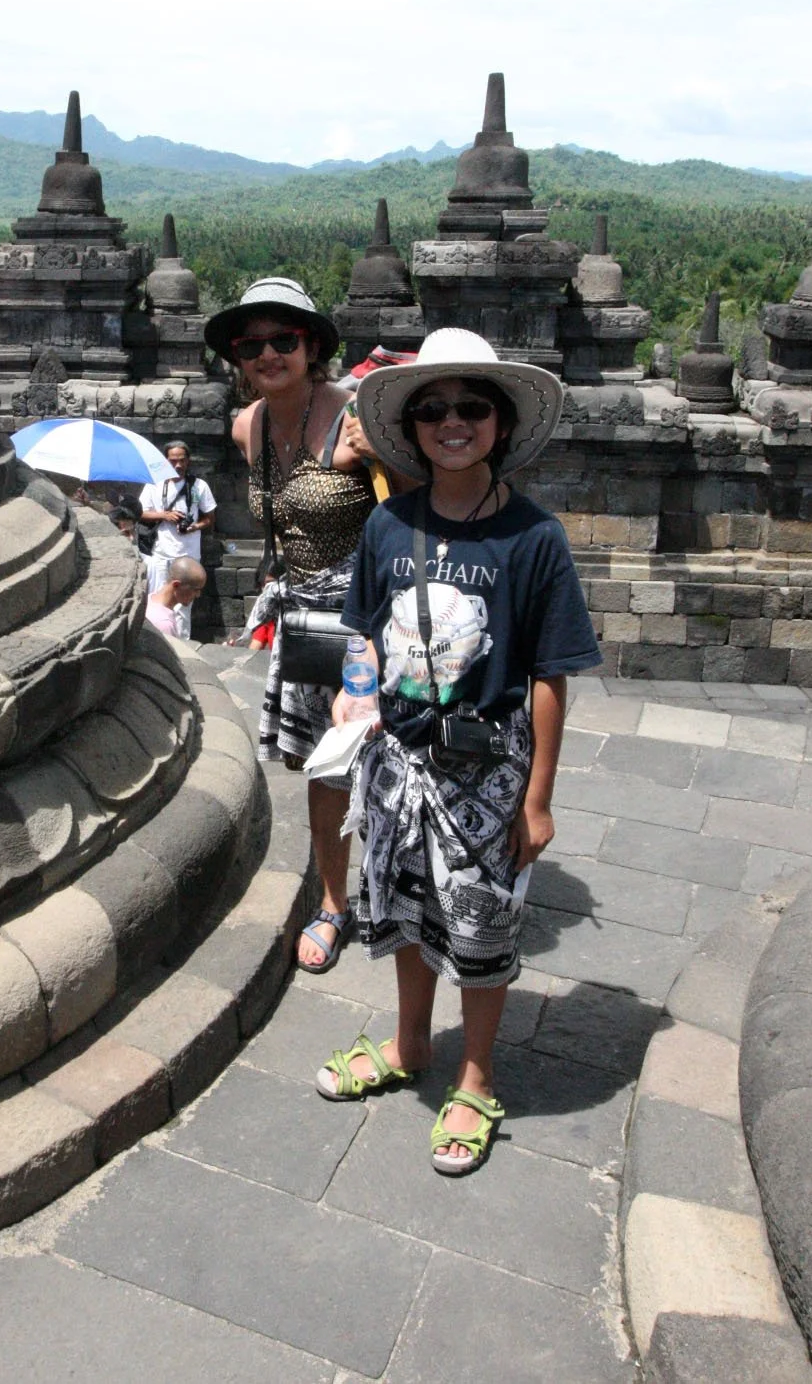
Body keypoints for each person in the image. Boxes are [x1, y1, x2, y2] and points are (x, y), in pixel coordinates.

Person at [315, 328, 599, 1176]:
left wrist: (538, 798)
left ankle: (475, 1076)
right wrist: (354, 690)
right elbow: (363, 629)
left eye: (471, 406)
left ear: (500, 424)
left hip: (489, 765)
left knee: (479, 927)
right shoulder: (388, 524)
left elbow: (550, 674)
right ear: (413, 426)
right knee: (403, 910)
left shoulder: (532, 538)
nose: (452, 422)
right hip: (400, 756)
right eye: (433, 409)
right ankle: (409, 1046)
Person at [205, 276, 379, 976]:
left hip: (369, 610)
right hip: (304, 612)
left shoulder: (356, 419)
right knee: (322, 766)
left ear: (313, 347)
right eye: (253, 346)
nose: (269, 354)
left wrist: (363, 462)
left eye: (285, 340)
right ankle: (335, 903)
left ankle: (398, 887)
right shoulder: (248, 426)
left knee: (385, 761)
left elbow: (408, 521)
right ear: (239, 359)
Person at [138, 443, 216, 634]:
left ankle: (182, 645)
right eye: (173, 461)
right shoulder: (154, 484)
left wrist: (194, 526)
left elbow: (210, 519)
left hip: (188, 557)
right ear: (165, 461)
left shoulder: (199, 486)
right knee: (157, 601)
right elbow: (140, 513)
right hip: (161, 554)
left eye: (182, 460)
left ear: (188, 461)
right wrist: (164, 515)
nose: (178, 465)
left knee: (184, 608)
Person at [145, 555, 206, 638]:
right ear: (176, 585)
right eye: (195, 590)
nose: (198, 595)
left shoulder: (148, 600)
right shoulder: (164, 624)